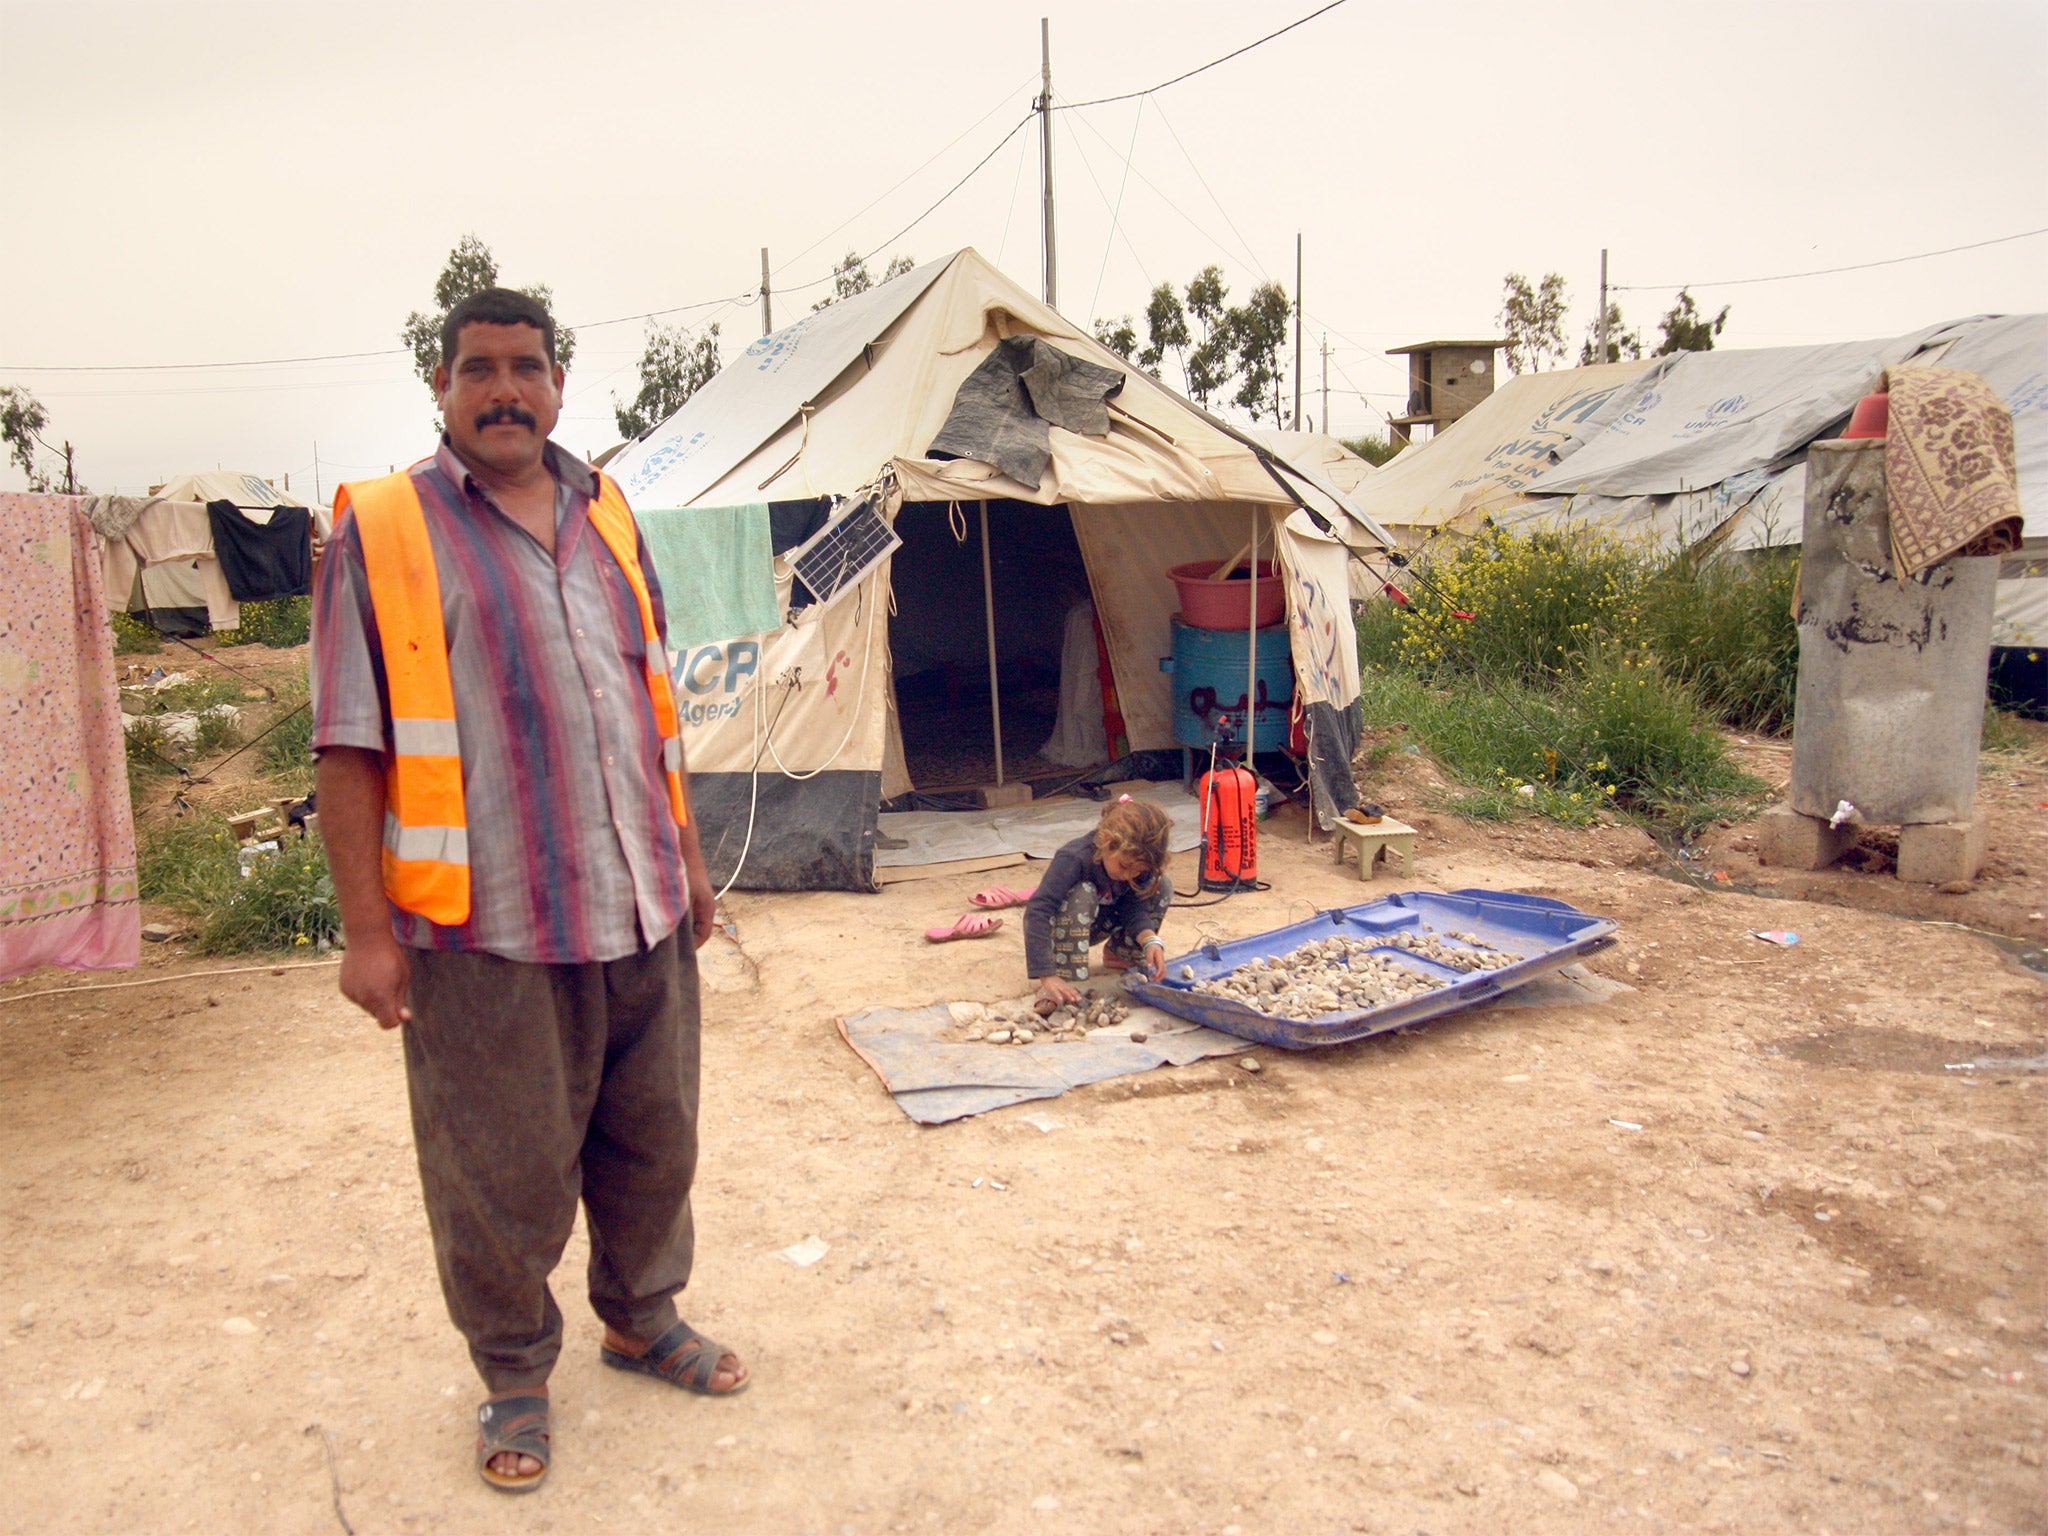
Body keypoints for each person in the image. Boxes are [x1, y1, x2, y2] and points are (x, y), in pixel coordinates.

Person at [311, 287, 746, 1495]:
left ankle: (641, 1319)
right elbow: (349, 742)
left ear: (559, 384)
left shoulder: (607, 513)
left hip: (638, 896)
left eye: (528, 367)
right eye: (478, 369)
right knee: (496, 1170)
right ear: (441, 389)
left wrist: (691, 860)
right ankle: (512, 1373)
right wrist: (364, 934)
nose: (505, 390)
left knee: (653, 1141)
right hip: (485, 923)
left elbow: (650, 703)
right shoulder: (386, 528)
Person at [1023, 797, 1174, 1007]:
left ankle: (1122, 952)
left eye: (1138, 871)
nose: (1129, 875)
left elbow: (1135, 907)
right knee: (1084, 892)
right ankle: (1065, 975)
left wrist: (1150, 940)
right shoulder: (1074, 858)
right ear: (1105, 840)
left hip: (1104, 921)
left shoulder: (1137, 866)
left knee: (1162, 885)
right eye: (1124, 866)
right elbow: (1038, 909)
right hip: (1065, 930)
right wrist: (1046, 974)